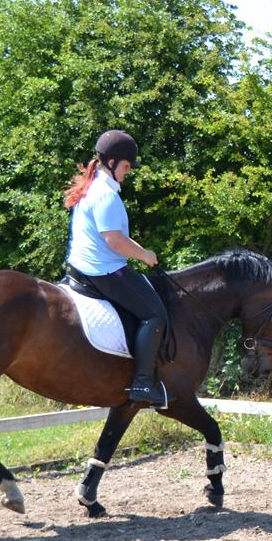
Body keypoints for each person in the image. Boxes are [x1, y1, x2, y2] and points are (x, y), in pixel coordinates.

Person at [63, 130, 168, 407]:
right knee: (155, 314)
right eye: (126, 166)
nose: (128, 171)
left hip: (83, 264)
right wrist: (144, 255)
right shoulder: (105, 196)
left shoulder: (94, 188)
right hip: (102, 271)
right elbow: (114, 241)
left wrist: (143, 251)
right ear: (111, 163)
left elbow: (114, 235)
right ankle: (143, 384)